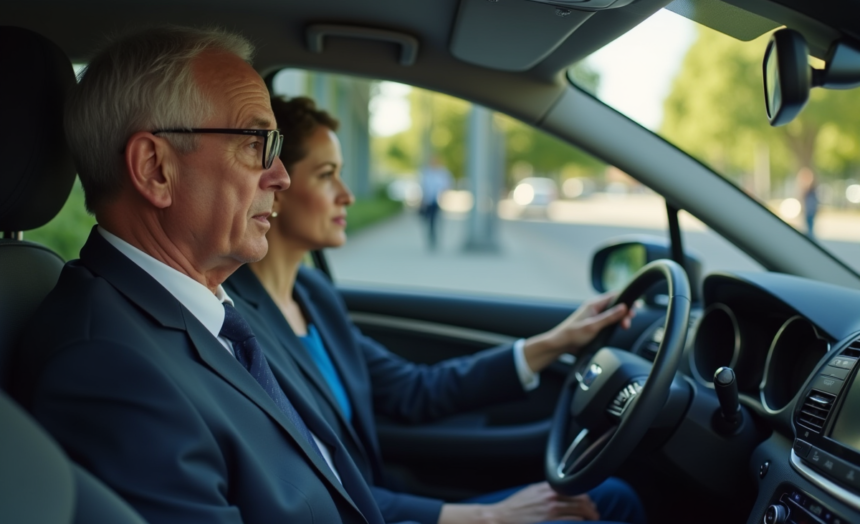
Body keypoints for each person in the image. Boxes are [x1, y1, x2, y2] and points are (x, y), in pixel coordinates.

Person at [12, 28, 400, 524]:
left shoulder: (213, 304)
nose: (281, 176)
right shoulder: (107, 368)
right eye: (257, 141)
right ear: (155, 169)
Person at [225, 96, 647, 524]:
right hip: (360, 514)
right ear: (275, 185)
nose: (347, 196)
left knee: (612, 495)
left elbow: (415, 390)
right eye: (326, 175)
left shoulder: (312, 294)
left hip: (386, 502)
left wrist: (555, 343)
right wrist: (489, 516)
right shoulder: (234, 321)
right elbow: (317, 490)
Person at [419, 155, 452, 249]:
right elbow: (423, 187)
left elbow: (447, 185)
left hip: (439, 201)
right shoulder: (427, 173)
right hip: (429, 201)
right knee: (429, 221)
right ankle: (431, 237)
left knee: (437, 220)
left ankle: (436, 238)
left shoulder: (443, 173)